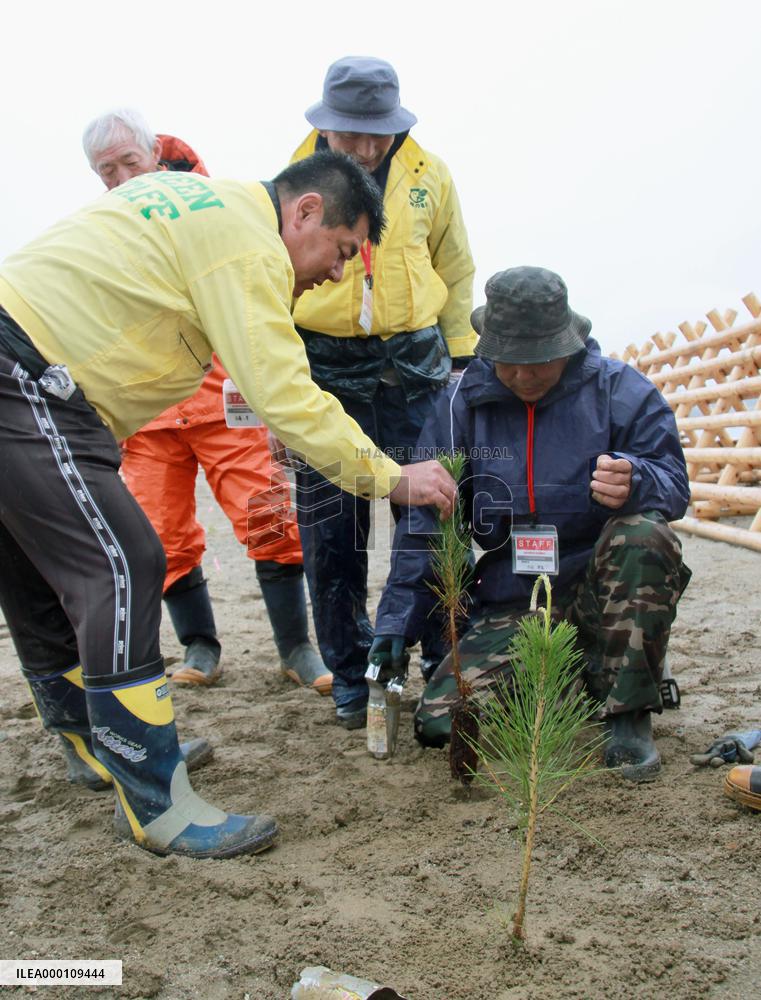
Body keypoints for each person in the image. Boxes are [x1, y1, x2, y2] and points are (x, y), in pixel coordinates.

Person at [0, 149, 456, 858]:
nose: (338, 272)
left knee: (35, 571)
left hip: (32, 369)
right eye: (340, 249)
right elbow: (286, 393)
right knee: (124, 563)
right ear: (302, 210)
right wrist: (394, 478)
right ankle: (157, 800)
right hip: (23, 377)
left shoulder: (203, 209)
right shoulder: (248, 244)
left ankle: (98, 747)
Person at [373, 266, 692, 781]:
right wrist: (394, 624)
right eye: (509, 362)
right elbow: (426, 525)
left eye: (539, 360)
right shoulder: (459, 405)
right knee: (440, 725)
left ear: (569, 341)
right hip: (514, 602)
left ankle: (628, 712)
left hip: (599, 593)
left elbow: (675, 483)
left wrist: (639, 481)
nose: (524, 376)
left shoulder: (620, 390)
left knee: (645, 534)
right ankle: (579, 675)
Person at [82, 109, 330, 696]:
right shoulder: (100, 230)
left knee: (269, 516)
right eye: (105, 171)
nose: (119, 179)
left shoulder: (206, 205)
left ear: (154, 155)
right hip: (147, 413)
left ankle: (297, 648)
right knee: (158, 534)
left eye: (128, 163)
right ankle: (200, 645)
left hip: (224, 399)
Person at [290, 56, 477, 728]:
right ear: (324, 125)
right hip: (324, 371)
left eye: (378, 134)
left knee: (428, 517)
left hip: (416, 366)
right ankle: (349, 670)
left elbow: (454, 269)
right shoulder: (291, 184)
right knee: (329, 532)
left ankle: (436, 665)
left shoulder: (431, 177)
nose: (366, 148)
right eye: (351, 135)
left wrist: (460, 362)